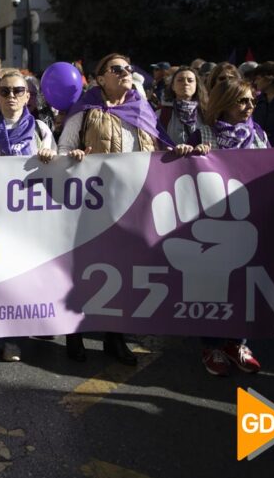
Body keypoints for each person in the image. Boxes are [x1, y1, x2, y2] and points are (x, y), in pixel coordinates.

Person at [58, 54, 179, 366]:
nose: (125, 72)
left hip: (132, 204)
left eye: (127, 68)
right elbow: (62, 149)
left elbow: (160, 149)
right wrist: (72, 157)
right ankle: (76, 334)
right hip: (92, 204)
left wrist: (184, 153)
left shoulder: (142, 108)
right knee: (86, 271)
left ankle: (115, 338)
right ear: (100, 79)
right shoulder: (85, 110)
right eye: (116, 69)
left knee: (124, 274)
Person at [189, 78, 274, 375]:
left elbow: (272, 169)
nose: (249, 107)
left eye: (251, 102)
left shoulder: (258, 134)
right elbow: (183, 174)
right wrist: (193, 153)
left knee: (244, 284)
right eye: (242, 101)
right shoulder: (203, 133)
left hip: (249, 223)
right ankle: (212, 345)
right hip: (211, 225)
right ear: (224, 102)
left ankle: (236, 342)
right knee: (214, 286)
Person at [0, 69, 60, 363]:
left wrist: (49, 159)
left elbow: (56, 172)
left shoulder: (41, 131)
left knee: (19, 281)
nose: (11, 96)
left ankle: (13, 340)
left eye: (18, 91)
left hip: (26, 222)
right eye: (5, 91)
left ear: (28, 96)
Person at [158, 66, 206, 145]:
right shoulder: (161, 114)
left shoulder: (206, 113)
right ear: (173, 86)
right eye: (180, 80)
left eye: (190, 80)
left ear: (196, 85)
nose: (186, 83)